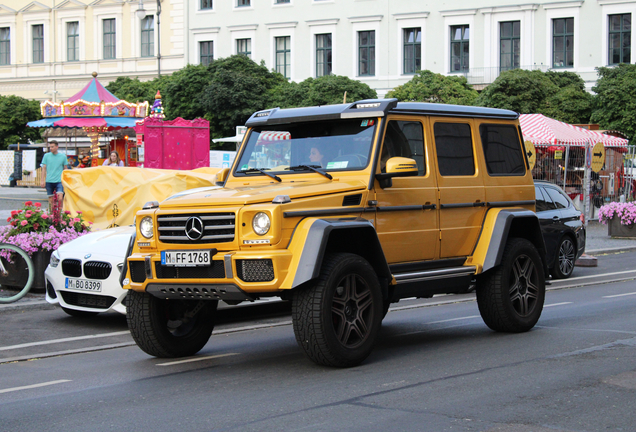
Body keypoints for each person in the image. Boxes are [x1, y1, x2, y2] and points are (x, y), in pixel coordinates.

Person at [40, 141, 70, 210]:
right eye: (50, 147)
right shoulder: (46, 156)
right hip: (49, 180)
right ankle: (51, 215)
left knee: (60, 197)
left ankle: (60, 213)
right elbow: (44, 168)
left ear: (57, 147)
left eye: (52, 147)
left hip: (59, 180)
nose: (51, 148)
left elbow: (65, 168)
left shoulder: (63, 156)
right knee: (51, 200)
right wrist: (42, 180)